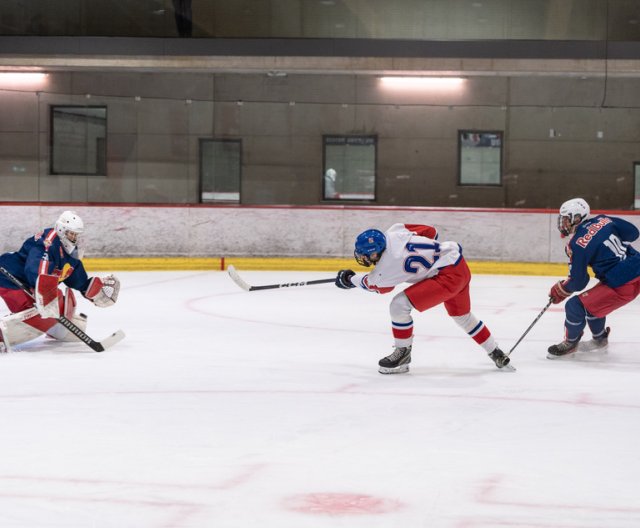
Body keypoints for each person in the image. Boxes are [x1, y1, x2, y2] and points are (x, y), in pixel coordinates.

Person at [334, 223, 511, 374]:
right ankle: (496, 352)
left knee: (398, 306)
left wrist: (350, 280)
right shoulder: (395, 231)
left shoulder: (388, 266)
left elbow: (378, 286)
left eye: (365, 254)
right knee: (462, 316)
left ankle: (402, 355)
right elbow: (431, 231)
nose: (362, 257)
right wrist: (428, 261)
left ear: (375, 254)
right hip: (458, 264)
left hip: (447, 277)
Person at [0, 211, 120, 352]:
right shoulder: (48, 242)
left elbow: (75, 276)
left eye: (76, 234)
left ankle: (54, 328)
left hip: (29, 282)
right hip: (10, 277)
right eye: (71, 233)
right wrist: (44, 294)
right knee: (34, 307)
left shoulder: (70, 250)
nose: (74, 237)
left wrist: (91, 290)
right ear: (61, 230)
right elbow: (36, 268)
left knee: (57, 301)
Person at [547, 198, 640, 358]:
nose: (562, 223)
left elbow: (579, 281)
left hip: (621, 282)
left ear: (577, 218)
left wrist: (561, 289)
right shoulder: (603, 219)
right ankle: (599, 340)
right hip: (636, 264)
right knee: (592, 304)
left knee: (574, 306)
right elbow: (633, 233)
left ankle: (570, 343)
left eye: (565, 218)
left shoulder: (576, 244)